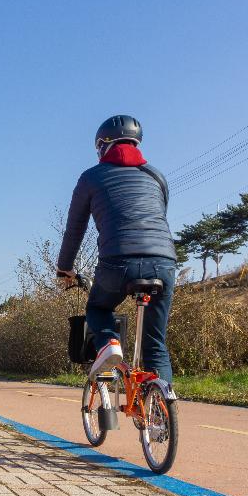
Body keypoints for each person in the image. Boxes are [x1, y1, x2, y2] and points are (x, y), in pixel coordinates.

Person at [56, 115, 177, 383]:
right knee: (155, 344)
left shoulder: (91, 177)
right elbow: (161, 215)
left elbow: (75, 230)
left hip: (118, 261)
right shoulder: (156, 176)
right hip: (164, 261)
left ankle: (109, 344)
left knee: (98, 310)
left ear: (102, 145)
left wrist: (64, 268)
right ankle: (161, 413)